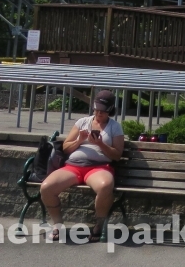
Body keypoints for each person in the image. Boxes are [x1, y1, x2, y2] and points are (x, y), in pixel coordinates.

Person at [40, 90, 125, 241]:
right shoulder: (82, 122)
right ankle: (57, 224)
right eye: (97, 109)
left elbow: (117, 155)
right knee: (47, 187)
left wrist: (100, 144)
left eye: (103, 111)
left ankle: (98, 226)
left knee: (106, 185)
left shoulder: (115, 127)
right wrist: (80, 140)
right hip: (73, 166)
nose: (99, 113)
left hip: (99, 167)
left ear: (110, 110)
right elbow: (66, 148)